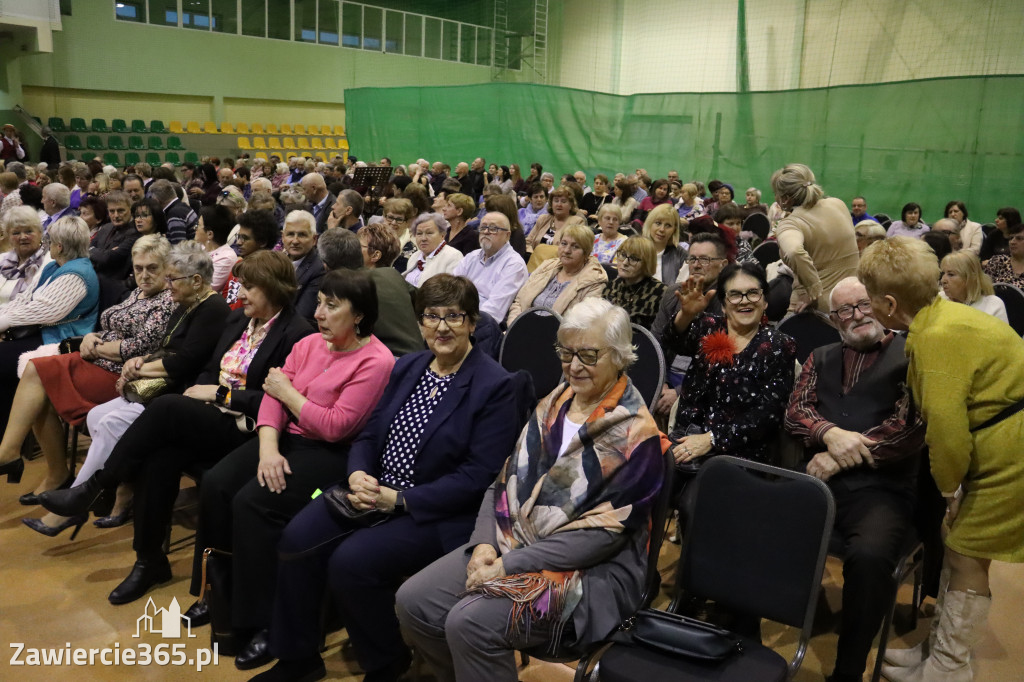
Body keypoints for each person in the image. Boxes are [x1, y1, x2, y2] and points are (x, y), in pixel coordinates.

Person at [249, 275, 522, 682]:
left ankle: (386, 660)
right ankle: (298, 657)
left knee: (352, 562)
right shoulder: (409, 365)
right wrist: (357, 472)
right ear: (419, 322)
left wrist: (397, 500)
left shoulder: (496, 385)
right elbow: (372, 432)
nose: (442, 327)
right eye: (432, 316)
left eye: (454, 317)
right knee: (296, 539)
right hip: (371, 490)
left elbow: (477, 477)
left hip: (434, 510)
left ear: (473, 322)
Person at [396, 298, 665, 682]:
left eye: (588, 355)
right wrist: (484, 545)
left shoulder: (636, 435)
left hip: (587, 574)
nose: (574, 367)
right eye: (566, 352)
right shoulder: (552, 404)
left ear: (620, 356)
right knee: (415, 601)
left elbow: (600, 538)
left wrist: (507, 565)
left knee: (470, 623)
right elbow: (502, 483)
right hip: (512, 541)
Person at [175, 269, 395, 670]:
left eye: (332, 305)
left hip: (333, 454)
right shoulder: (310, 343)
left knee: (255, 504)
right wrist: (268, 448)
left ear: (359, 314)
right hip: (283, 440)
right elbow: (270, 403)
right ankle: (217, 592)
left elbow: (333, 426)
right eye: (320, 302)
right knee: (218, 484)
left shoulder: (376, 360)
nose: (319, 313)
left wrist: (289, 394)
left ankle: (264, 621)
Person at [858, 237, 1024, 682]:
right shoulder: (941, 316)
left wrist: (950, 488)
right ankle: (938, 654)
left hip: (1012, 454)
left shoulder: (936, 337)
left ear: (889, 304)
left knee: (968, 556)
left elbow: (946, 432)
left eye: (869, 298)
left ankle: (949, 669)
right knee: (960, 552)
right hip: (1002, 441)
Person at [786, 277, 926, 682]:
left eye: (863, 305)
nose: (857, 315)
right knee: (758, 514)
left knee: (868, 558)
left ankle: (848, 667)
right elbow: (796, 411)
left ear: (882, 306)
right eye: (845, 310)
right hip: (817, 481)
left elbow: (909, 427)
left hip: (884, 488)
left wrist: (839, 459)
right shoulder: (822, 356)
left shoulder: (911, 353)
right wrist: (829, 435)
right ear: (834, 319)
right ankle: (744, 629)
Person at [34, 242, 229, 522]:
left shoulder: (213, 309)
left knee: (111, 422)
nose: (167, 283)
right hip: (165, 383)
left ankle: (79, 499)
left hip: (182, 392)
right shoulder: (186, 303)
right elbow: (166, 347)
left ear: (196, 281)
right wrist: (137, 362)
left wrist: (138, 370)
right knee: (98, 415)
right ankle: (108, 492)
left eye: (172, 278)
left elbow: (185, 362)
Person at [10, 235, 175, 527]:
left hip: (122, 373)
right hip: (98, 359)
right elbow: (109, 325)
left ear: (167, 268)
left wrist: (96, 346)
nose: (144, 275)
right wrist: (90, 337)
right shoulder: (138, 293)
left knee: (37, 371)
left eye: (152, 268)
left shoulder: (167, 300)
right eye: (138, 268)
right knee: (35, 373)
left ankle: (27, 460)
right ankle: (52, 473)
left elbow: (138, 346)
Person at [665, 262, 797, 465]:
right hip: (685, 441)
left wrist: (711, 439)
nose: (744, 301)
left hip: (738, 455)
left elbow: (768, 414)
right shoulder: (709, 327)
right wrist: (687, 315)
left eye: (753, 293)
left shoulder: (779, 345)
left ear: (764, 302)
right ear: (724, 305)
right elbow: (672, 341)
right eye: (735, 295)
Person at [0, 217, 98, 458]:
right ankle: (9, 440)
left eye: (49, 241)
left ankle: (9, 446)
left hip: (64, 341)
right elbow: (25, 299)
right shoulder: (55, 266)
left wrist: (5, 322)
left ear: (60, 246)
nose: (47, 245)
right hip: (43, 332)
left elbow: (44, 310)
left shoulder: (78, 273)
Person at [771, 163, 859, 313]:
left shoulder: (790, 224)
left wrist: (813, 291)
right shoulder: (838, 204)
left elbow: (793, 251)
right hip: (858, 295)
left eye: (776, 193)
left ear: (785, 198)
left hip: (822, 306)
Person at [507, 223, 607, 324]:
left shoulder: (594, 281)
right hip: (521, 328)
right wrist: (514, 326)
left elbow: (582, 323)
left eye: (575, 247)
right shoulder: (546, 266)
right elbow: (519, 303)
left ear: (586, 253)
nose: (567, 250)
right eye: (563, 243)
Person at [349, 224, 423, 357]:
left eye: (357, 246)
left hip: (389, 359)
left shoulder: (359, 280)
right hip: (416, 357)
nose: (352, 250)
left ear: (375, 255)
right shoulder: (397, 277)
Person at [452, 211, 529, 322]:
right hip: (458, 316)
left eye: (493, 229)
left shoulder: (514, 265)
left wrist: (462, 321)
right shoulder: (472, 257)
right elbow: (451, 289)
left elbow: (493, 311)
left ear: (507, 235)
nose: (486, 232)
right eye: (483, 228)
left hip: (483, 325)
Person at [602, 235, 666, 329]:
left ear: (647, 263)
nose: (625, 263)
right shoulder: (612, 285)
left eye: (634, 259)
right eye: (623, 255)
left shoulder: (660, 292)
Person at [279, 210, 325, 326]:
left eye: (302, 235)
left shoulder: (318, 269)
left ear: (314, 239)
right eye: (290, 234)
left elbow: (301, 317)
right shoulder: (276, 260)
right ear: (283, 237)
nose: (295, 241)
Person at [939, 250, 1008, 323]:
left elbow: (1001, 334)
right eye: (943, 273)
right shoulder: (938, 300)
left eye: (951, 274)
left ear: (971, 277)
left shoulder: (993, 305)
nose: (943, 280)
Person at [0, 206, 48, 306]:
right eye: (16, 233)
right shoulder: (2, 259)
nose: (22, 237)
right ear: (8, 237)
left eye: (29, 231)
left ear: (40, 232)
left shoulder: (48, 262)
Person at [91, 191, 141, 282]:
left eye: (121, 210)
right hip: (94, 279)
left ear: (130, 209)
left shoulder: (136, 232)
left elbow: (109, 258)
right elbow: (86, 248)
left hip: (115, 285)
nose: (116, 215)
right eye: (112, 211)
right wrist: (105, 253)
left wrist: (94, 251)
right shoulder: (106, 227)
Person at [402, 212, 462, 287]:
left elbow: (452, 292)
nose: (423, 238)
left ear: (442, 235)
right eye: (419, 234)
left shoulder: (453, 256)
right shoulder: (414, 256)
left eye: (429, 233)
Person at [524, 186, 587, 253]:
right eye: (556, 201)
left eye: (563, 201)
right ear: (551, 204)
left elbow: (574, 249)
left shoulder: (577, 222)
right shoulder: (543, 219)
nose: (559, 204)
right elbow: (528, 242)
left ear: (571, 205)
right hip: (535, 258)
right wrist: (531, 253)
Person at [195, 204, 239, 292]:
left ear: (209, 234)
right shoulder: (200, 247)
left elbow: (205, 290)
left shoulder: (226, 257)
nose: (195, 228)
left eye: (198, 225)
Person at [642, 203, 688, 284]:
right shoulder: (637, 248)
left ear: (674, 230)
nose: (662, 229)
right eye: (658, 223)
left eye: (668, 225)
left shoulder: (681, 255)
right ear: (650, 223)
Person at [982, 223, 1024, 288]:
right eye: (1011, 238)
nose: (1012, 242)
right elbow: (983, 289)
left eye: (1019, 238)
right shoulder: (997, 261)